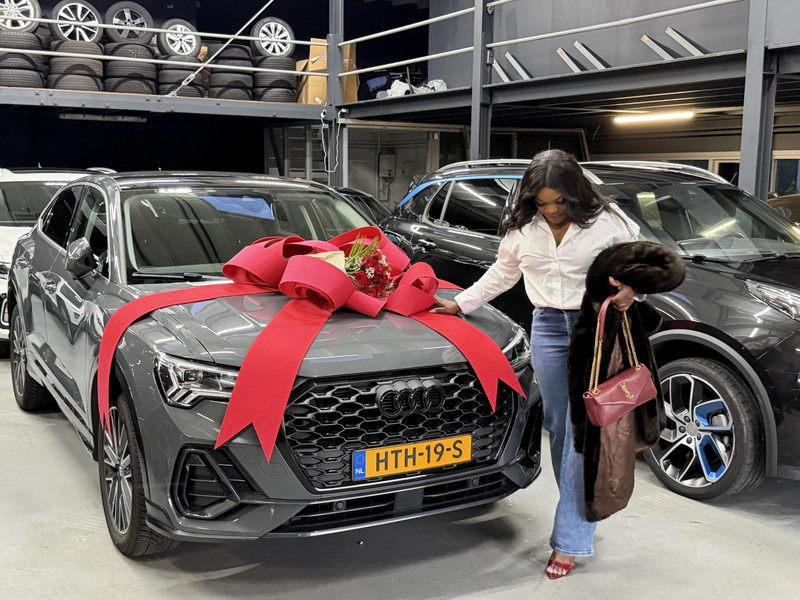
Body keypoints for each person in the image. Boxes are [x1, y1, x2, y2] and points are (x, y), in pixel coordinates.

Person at [431, 149, 639, 579]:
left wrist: (631, 289)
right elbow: (503, 273)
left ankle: (569, 538)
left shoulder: (608, 221)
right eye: (542, 203)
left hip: (596, 327)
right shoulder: (523, 228)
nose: (552, 211)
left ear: (576, 193)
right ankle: (582, 505)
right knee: (560, 427)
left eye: (560, 202)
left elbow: (640, 264)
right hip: (547, 327)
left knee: (583, 429)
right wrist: (461, 303)